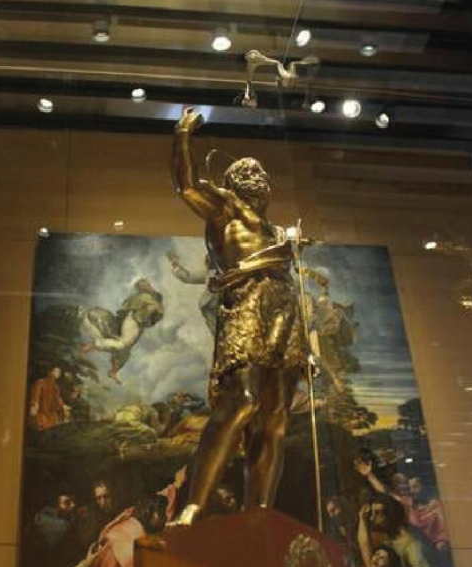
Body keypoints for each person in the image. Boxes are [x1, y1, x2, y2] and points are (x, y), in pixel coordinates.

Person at [169, 107, 308, 525]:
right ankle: (194, 505)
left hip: (284, 311)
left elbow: (285, 270)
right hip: (246, 304)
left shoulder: (276, 232)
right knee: (242, 402)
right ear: (236, 182)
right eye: (250, 173)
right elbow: (186, 184)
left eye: (262, 174)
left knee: (275, 418)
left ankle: (260, 512)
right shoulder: (225, 209)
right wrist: (182, 135)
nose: (258, 178)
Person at [80, 279, 164, 383]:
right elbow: (140, 308)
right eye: (145, 286)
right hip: (133, 320)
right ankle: (92, 346)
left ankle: (113, 372)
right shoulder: (143, 296)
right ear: (141, 288)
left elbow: (156, 312)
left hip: (140, 324)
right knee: (121, 345)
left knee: (125, 351)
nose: (148, 287)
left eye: (148, 285)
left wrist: (156, 306)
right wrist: (154, 307)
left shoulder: (155, 296)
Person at [355, 459, 449, 551]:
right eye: (410, 486)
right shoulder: (407, 503)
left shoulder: (437, 507)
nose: (411, 489)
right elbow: (385, 493)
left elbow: (442, 540)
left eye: (416, 486)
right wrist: (369, 475)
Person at [80, 495, 168, 567]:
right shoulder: (132, 530)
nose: (165, 517)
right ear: (149, 511)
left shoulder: (133, 523)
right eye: (161, 513)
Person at [357, 495, 438, 567]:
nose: (372, 518)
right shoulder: (393, 533)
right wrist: (362, 519)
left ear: (390, 514)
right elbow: (367, 553)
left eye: (377, 513)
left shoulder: (413, 547)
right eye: (372, 513)